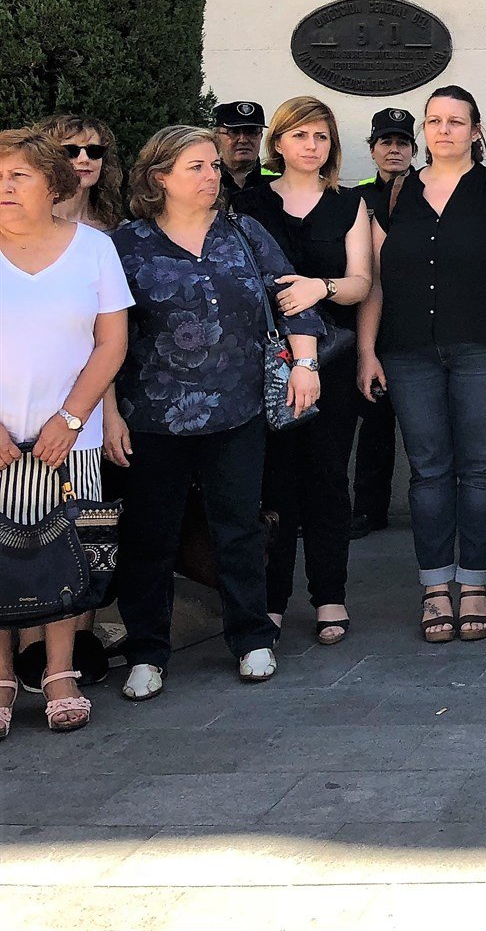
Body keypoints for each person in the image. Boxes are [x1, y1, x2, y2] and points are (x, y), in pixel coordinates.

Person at [112, 127, 322, 699]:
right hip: (153, 416)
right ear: (159, 178)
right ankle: (146, 652)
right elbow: (103, 336)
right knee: (151, 534)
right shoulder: (126, 245)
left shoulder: (245, 233)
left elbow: (291, 298)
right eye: (196, 167)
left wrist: (305, 365)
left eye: (212, 165)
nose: (212, 176)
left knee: (239, 525)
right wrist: (107, 413)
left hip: (238, 408)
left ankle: (252, 637)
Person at [357, 87, 486, 645]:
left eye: (455, 121)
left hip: (482, 350)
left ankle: (475, 584)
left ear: (476, 130)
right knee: (429, 470)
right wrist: (367, 351)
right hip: (409, 353)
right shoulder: (394, 197)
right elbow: (377, 281)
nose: (443, 130)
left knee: (481, 469)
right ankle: (436, 588)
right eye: (434, 121)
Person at [0, 129, 131, 735]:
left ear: (53, 184)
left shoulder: (94, 249)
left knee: (61, 557)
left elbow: (111, 343)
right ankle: (0, 678)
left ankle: (59, 673)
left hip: (68, 441)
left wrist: (73, 418)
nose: (4, 185)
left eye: (18, 175)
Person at [234, 96, 372, 647]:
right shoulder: (247, 204)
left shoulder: (348, 205)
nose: (311, 146)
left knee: (326, 479)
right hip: (261, 364)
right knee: (272, 484)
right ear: (279, 143)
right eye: (300, 136)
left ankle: (329, 596)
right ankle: (269, 602)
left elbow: (363, 281)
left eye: (320, 136)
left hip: (330, 363)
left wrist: (324, 287)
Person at [349, 107, 416, 539]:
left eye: (403, 142)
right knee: (373, 422)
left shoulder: (429, 192)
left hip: (416, 322)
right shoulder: (356, 199)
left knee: (425, 425)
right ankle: (369, 510)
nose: (394, 149)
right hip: (373, 322)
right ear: (372, 149)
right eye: (386, 142)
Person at [37, 113, 125, 231]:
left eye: (94, 151)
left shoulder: (120, 231)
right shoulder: (18, 225)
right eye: (70, 151)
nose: (84, 159)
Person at [213, 101, 267, 198]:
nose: (243, 140)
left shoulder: (278, 180)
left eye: (251, 132)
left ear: (261, 136)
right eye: (234, 132)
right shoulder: (206, 178)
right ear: (217, 138)